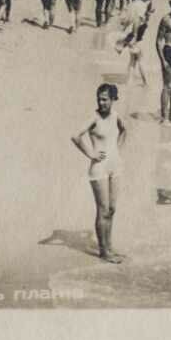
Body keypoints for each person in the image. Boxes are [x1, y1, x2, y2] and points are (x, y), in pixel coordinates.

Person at [71, 83, 127, 263]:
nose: (101, 103)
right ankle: (104, 251)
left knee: (112, 209)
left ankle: (109, 246)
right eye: (99, 99)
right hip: (99, 168)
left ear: (113, 100)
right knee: (102, 209)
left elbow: (124, 130)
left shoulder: (116, 116)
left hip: (115, 166)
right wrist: (90, 154)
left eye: (105, 99)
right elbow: (75, 136)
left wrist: (118, 149)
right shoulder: (93, 118)